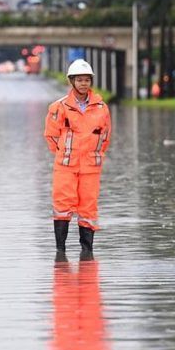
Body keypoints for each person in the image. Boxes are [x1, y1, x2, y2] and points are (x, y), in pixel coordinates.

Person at [44, 59, 111, 253]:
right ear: (71, 81)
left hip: (91, 167)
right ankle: (60, 252)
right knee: (62, 206)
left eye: (87, 80)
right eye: (79, 80)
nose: (83, 83)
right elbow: (51, 135)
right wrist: (65, 154)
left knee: (88, 209)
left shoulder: (101, 108)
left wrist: (92, 155)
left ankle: (87, 251)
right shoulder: (59, 107)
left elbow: (105, 137)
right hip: (66, 166)